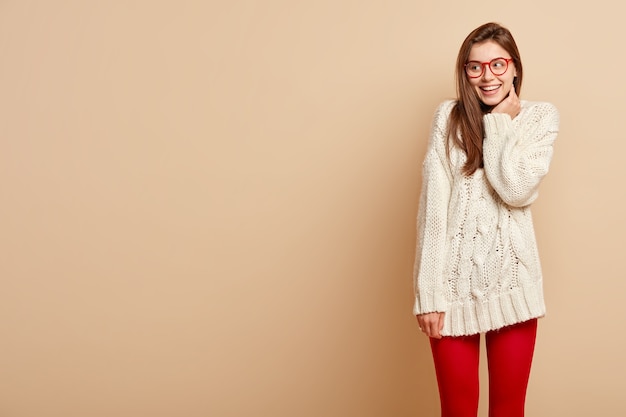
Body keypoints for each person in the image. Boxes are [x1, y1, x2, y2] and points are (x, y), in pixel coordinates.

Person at [412, 22, 559, 417]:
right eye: (474, 67)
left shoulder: (540, 118)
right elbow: (433, 210)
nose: (487, 75)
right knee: (457, 411)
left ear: (514, 67)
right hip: (451, 290)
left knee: (508, 411)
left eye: (497, 64)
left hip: (513, 285)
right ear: (464, 73)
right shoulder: (448, 118)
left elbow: (516, 190)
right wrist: (428, 292)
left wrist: (499, 123)